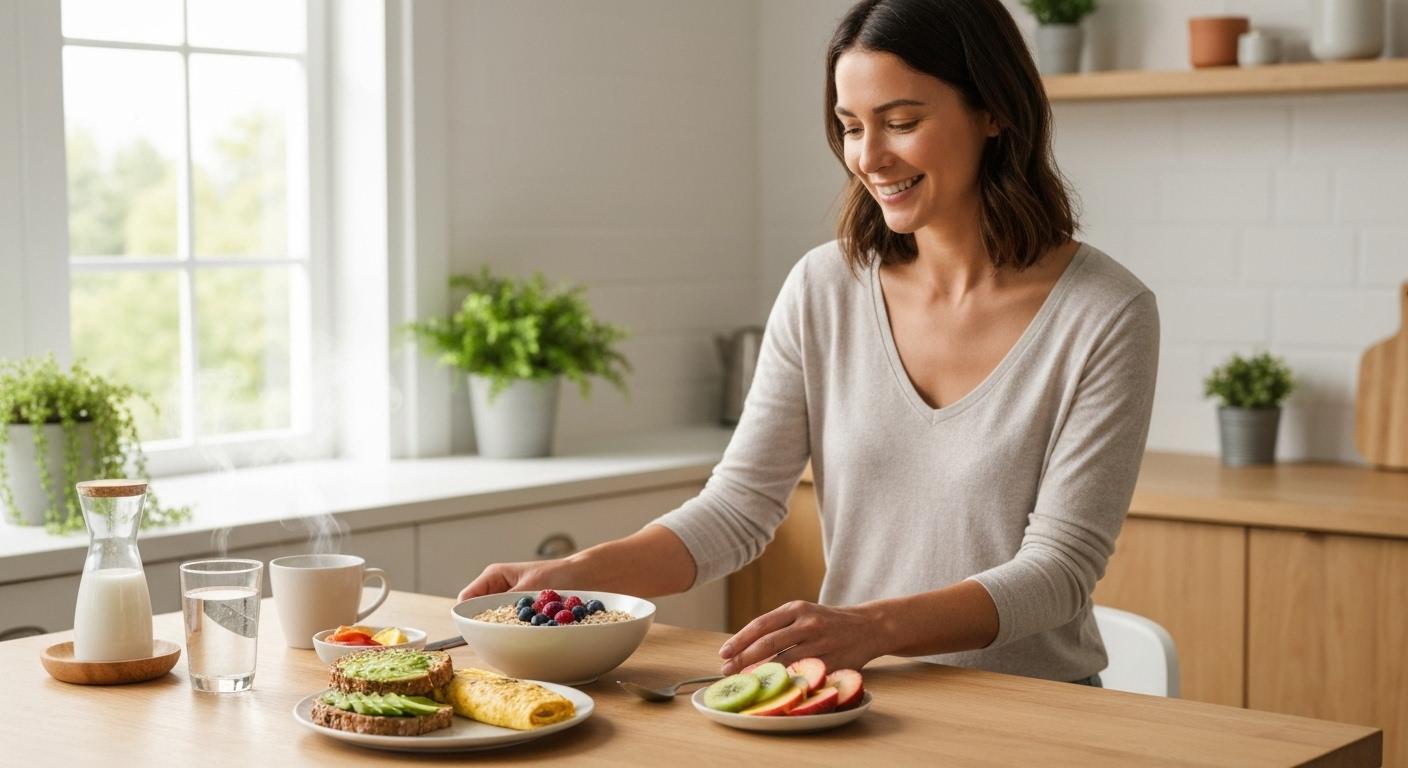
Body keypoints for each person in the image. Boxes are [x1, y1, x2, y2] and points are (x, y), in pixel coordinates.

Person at [459, 0, 1158, 686]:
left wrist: (871, 629)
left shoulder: (1104, 313)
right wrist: (575, 576)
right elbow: (738, 509)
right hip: (858, 699)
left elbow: (1060, 571)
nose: (869, 157)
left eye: (902, 122)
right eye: (850, 127)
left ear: (994, 110)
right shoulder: (824, 287)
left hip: (1039, 715)